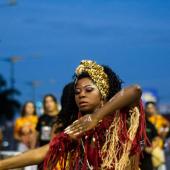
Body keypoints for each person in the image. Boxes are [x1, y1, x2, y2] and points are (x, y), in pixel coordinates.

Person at [0, 60, 147, 170]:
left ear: (103, 93)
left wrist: (95, 118)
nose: (81, 95)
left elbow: (135, 90)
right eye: (77, 92)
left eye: (89, 90)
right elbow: (43, 152)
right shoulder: (79, 126)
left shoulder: (119, 116)